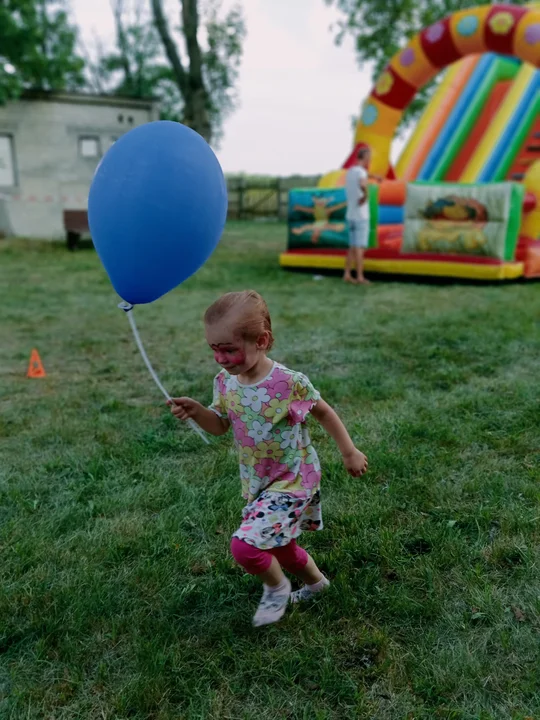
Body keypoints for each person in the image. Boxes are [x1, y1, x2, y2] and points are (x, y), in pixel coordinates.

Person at [169, 290, 368, 627]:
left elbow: (324, 414)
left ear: (261, 340)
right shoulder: (225, 382)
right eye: (213, 349)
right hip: (259, 481)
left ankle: (276, 589)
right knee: (280, 546)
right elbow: (219, 426)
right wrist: (197, 411)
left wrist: (349, 451)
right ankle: (318, 585)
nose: (220, 358)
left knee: (245, 547)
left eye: (229, 349)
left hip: (294, 479)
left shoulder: (289, 383)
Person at [344, 146, 381, 285]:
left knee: (352, 246)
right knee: (360, 247)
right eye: (369, 157)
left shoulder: (351, 171)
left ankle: (347, 274)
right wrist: (366, 195)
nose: (370, 160)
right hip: (361, 215)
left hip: (351, 214)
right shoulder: (361, 173)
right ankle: (360, 276)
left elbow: (361, 175)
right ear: (365, 158)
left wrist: (373, 176)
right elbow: (362, 183)